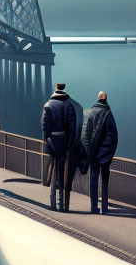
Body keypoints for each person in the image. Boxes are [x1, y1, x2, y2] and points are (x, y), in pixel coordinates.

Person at [41, 83, 79, 211]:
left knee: (53, 173)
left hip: (52, 142)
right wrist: (69, 143)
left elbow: (45, 127)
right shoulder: (69, 105)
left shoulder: (48, 105)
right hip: (64, 143)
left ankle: (53, 203)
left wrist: (46, 139)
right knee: (62, 174)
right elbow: (72, 128)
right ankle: (63, 204)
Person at [82, 91, 119, 214]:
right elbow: (113, 137)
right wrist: (108, 153)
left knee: (93, 179)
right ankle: (104, 208)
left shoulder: (90, 113)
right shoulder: (108, 114)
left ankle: (93, 207)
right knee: (104, 181)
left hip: (93, 153)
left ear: (97, 99)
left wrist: (88, 150)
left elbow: (85, 134)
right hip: (104, 156)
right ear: (106, 100)